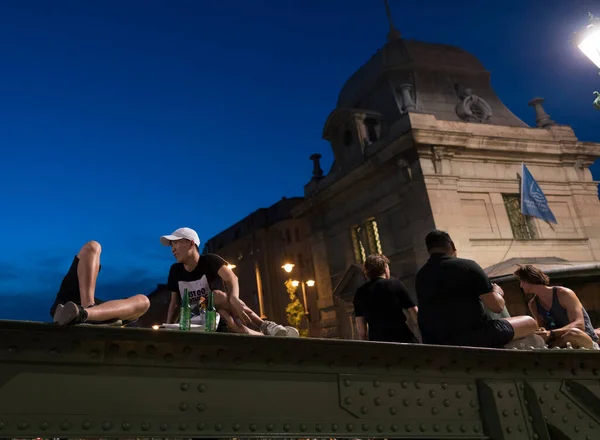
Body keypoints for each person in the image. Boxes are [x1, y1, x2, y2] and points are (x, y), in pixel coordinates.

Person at [161, 227, 299, 337]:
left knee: (224, 313)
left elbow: (232, 278)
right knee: (217, 297)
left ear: (191, 242)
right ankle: (266, 326)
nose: (173, 249)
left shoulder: (209, 260)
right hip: (191, 316)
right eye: (171, 245)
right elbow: (174, 304)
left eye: (176, 243)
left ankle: (264, 332)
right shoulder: (175, 270)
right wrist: (168, 328)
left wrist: (233, 298)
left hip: (213, 315)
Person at [415, 230, 537, 348]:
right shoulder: (468, 266)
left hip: (435, 342)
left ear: (428, 250)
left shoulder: (420, 275)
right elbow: (496, 307)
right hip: (474, 337)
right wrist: (497, 292)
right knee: (529, 322)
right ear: (452, 245)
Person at [50, 241, 150, 326]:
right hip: (71, 302)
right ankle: (87, 308)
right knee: (93, 246)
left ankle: (82, 314)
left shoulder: (123, 310)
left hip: (97, 315)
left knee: (144, 301)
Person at [514, 264, 599, 349]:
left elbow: (579, 325)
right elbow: (543, 329)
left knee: (573, 334)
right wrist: (541, 332)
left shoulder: (564, 294)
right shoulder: (533, 304)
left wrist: (551, 333)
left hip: (583, 340)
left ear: (529, 279)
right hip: (559, 344)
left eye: (522, 281)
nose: (521, 285)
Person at [353, 254, 419, 343]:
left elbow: (362, 332)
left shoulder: (360, 293)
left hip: (378, 343)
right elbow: (414, 312)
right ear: (384, 268)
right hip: (401, 338)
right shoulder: (395, 284)